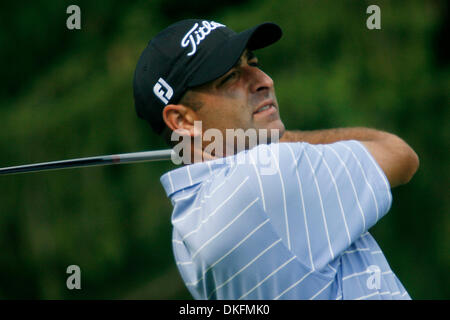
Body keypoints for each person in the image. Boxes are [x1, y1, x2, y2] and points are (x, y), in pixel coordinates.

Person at [133, 19, 419, 300]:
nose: (264, 80)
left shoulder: (185, 233)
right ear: (181, 120)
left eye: (253, 64)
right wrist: (286, 139)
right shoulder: (267, 176)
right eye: (230, 77)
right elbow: (400, 155)